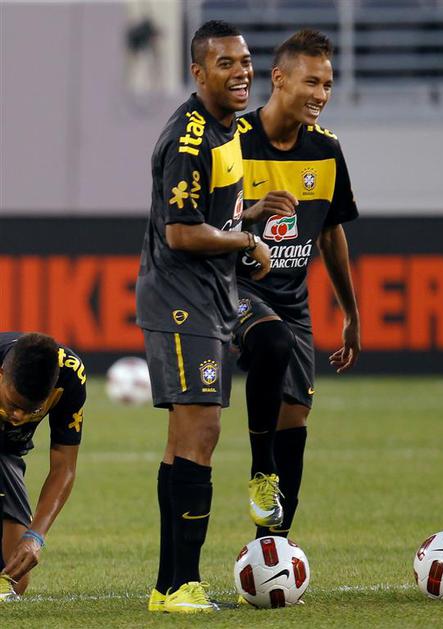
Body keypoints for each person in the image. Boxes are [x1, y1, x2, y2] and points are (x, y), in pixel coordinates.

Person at [136, 20, 291, 614]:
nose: (242, 72)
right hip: (184, 299)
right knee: (198, 436)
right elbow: (181, 232)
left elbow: (207, 212)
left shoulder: (226, 127)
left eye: (245, 61)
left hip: (211, 294)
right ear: (198, 72)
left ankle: (168, 585)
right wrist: (247, 241)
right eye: (226, 63)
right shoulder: (191, 138)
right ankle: (181, 585)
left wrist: (248, 213)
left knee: (187, 437)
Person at [234, 29, 361, 538]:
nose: (321, 94)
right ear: (279, 79)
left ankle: (274, 548)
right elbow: (198, 223)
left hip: (292, 299)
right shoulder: (234, 141)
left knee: (296, 414)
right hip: (230, 288)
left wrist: (350, 313)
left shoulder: (326, 149)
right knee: (272, 342)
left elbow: (330, 233)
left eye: (327, 84)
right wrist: (250, 215)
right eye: (311, 81)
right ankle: (260, 469)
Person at [0, 332, 86, 601]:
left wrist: (35, 536)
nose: (18, 417)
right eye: (13, 404)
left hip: (7, 453)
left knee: (13, 580)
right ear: (2, 374)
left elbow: (64, 466)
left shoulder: (69, 376)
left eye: (31, 410)